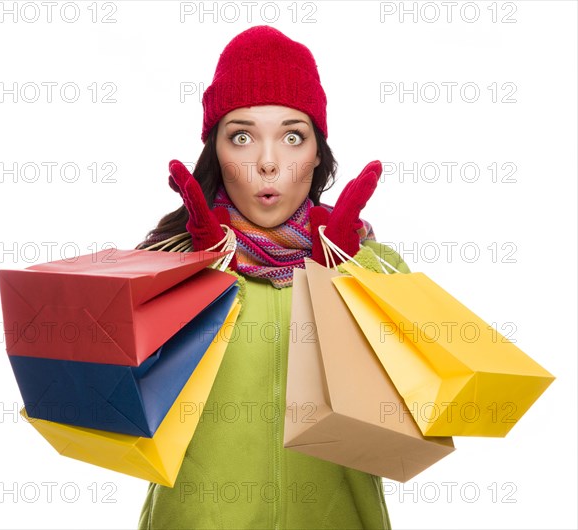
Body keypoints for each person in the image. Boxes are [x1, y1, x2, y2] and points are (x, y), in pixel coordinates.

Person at [135, 25, 410, 530]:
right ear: (215, 151)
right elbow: (122, 405)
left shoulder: (367, 260)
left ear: (316, 152)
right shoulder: (170, 262)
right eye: (242, 136)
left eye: (291, 136)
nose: (267, 162)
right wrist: (190, 276)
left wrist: (349, 275)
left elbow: (411, 394)